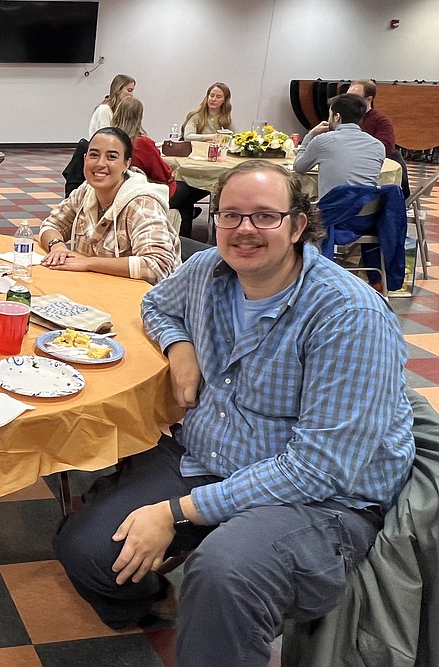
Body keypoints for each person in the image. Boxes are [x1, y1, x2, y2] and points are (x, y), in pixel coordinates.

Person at [53, 160, 414, 666]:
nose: (244, 229)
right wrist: (181, 346)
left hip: (318, 499)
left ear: (297, 226)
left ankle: (218, 616)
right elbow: (157, 304)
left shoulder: (348, 316)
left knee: (225, 573)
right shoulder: (207, 271)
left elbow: (319, 469)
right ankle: (166, 604)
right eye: (230, 215)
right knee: (85, 549)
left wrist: (176, 512)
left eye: (265, 216)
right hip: (208, 456)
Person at [38, 127, 180, 284]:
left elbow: (157, 266)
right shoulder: (86, 190)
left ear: (126, 164)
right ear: (85, 158)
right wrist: (57, 246)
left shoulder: (142, 203)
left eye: (111, 157)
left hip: (142, 299)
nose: (100, 163)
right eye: (94, 155)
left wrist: (89, 263)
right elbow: (51, 225)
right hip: (93, 287)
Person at [171, 82, 235, 237]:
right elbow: (188, 136)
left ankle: (188, 240)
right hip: (193, 169)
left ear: (224, 101)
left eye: (218, 96)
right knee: (181, 200)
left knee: (186, 201)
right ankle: (184, 240)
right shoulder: (196, 116)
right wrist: (211, 137)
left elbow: (231, 137)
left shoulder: (225, 119)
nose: (213, 99)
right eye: (211, 95)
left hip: (211, 170)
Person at [294, 93, 385, 200]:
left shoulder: (323, 141)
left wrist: (310, 135)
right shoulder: (378, 146)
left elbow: (299, 167)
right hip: (367, 211)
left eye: (330, 115)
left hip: (333, 211)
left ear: (337, 117)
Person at [111, 97, 176, 197]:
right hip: (146, 192)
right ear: (139, 117)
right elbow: (161, 174)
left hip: (117, 191)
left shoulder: (109, 140)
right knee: (187, 189)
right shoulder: (142, 144)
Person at [347, 79, 395, 158]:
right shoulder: (343, 117)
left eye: (355, 98)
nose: (348, 101)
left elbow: (386, 148)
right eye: (347, 97)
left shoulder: (382, 122)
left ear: (369, 99)